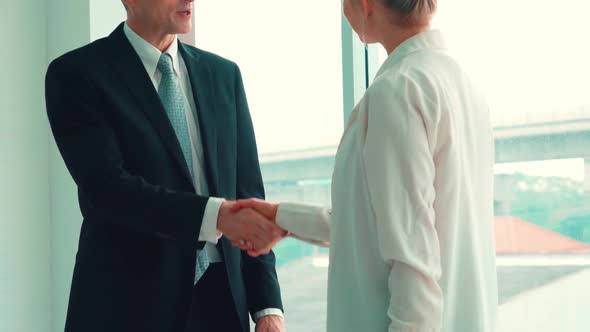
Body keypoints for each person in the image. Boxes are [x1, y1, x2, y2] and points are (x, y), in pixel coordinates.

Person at [232, 0, 498, 331]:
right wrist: (281, 216)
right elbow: (378, 224)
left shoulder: (399, 90)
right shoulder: (463, 87)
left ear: (366, 4)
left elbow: (413, 262)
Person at [44, 1, 286, 331]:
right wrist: (216, 216)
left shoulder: (223, 75)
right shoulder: (77, 74)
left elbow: (247, 192)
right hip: (127, 306)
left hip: (222, 302)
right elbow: (108, 189)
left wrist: (267, 307)